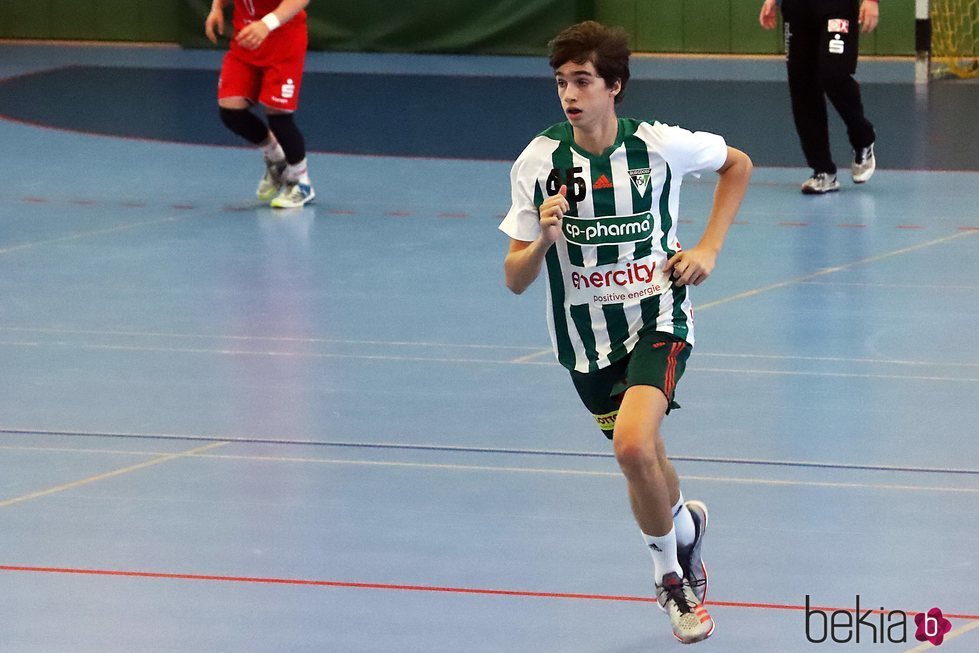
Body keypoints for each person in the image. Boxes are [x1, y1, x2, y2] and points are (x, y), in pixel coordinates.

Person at [499, 21, 751, 645]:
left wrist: (709, 248)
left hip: (658, 315)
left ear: (614, 86)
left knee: (634, 447)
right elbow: (514, 277)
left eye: (582, 81)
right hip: (583, 339)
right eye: (561, 82)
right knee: (650, 461)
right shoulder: (539, 162)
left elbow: (737, 165)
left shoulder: (659, 146)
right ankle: (686, 533)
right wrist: (545, 239)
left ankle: (670, 579)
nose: (569, 94)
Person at [760, 0, 879, 194]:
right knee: (802, 84)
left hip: (837, 6)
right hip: (797, 8)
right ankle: (823, 170)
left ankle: (863, 138)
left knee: (834, 74)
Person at [206, 0, 315, 208]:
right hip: (246, 41)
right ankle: (276, 159)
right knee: (231, 110)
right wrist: (217, 7)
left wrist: (267, 24)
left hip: (283, 43)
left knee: (279, 116)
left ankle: (301, 182)